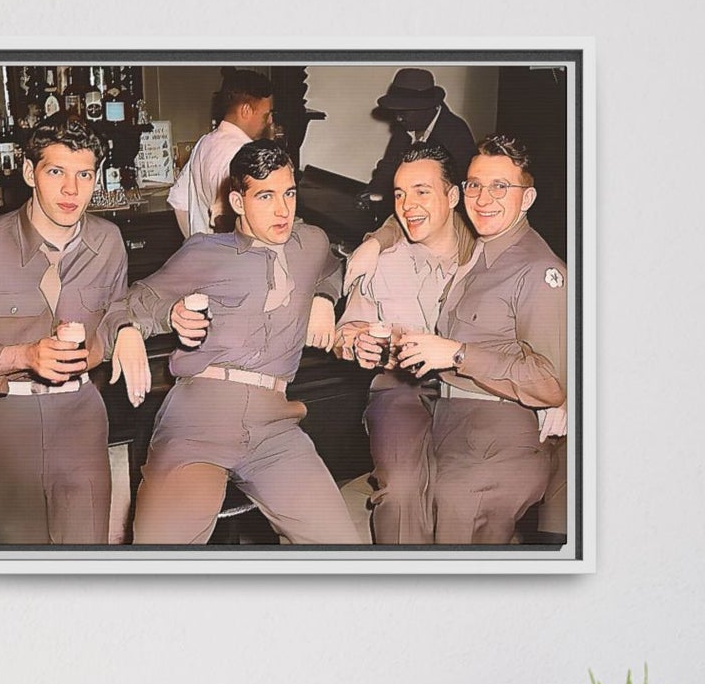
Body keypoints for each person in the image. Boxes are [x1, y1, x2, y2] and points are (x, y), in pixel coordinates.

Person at [126, 139, 367, 545]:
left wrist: (324, 299)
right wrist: (137, 327)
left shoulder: (311, 243)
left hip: (275, 427)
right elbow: (136, 300)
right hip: (198, 419)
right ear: (237, 201)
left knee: (340, 547)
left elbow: (334, 268)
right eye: (266, 196)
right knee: (159, 557)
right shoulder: (204, 250)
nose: (282, 210)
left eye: (289, 194)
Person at [0, 123, 143, 544]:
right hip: (1, 422)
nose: (71, 190)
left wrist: (127, 329)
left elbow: (116, 310)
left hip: (80, 416)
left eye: (84, 175)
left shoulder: (109, 241)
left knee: (86, 557)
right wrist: (25, 356)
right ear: (29, 173)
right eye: (55, 172)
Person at [392, 134, 568, 545]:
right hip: (449, 425)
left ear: (527, 199)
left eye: (499, 187)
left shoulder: (538, 270)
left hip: (496, 437)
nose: (483, 198)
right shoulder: (482, 249)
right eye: (475, 185)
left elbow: (551, 383)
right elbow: (411, 207)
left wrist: (457, 354)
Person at [333, 142, 475, 545]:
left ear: (453, 196)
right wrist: (353, 342)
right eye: (400, 193)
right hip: (399, 391)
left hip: (470, 393)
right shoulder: (382, 259)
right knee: (400, 487)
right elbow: (348, 330)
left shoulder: (484, 256)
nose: (407, 205)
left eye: (421, 191)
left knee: (465, 490)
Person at [167, 68, 276, 238]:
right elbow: (223, 218)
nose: (270, 121)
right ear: (246, 111)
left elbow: (179, 201)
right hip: (234, 260)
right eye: (266, 114)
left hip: (204, 256)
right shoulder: (245, 154)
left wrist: (194, 244)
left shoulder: (204, 142)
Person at [361, 68, 477, 219]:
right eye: (396, 112)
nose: (398, 118)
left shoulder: (456, 135)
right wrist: (371, 193)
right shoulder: (407, 125)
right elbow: (389, 166)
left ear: (428, 107)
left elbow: (462, 192)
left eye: (404, 111)